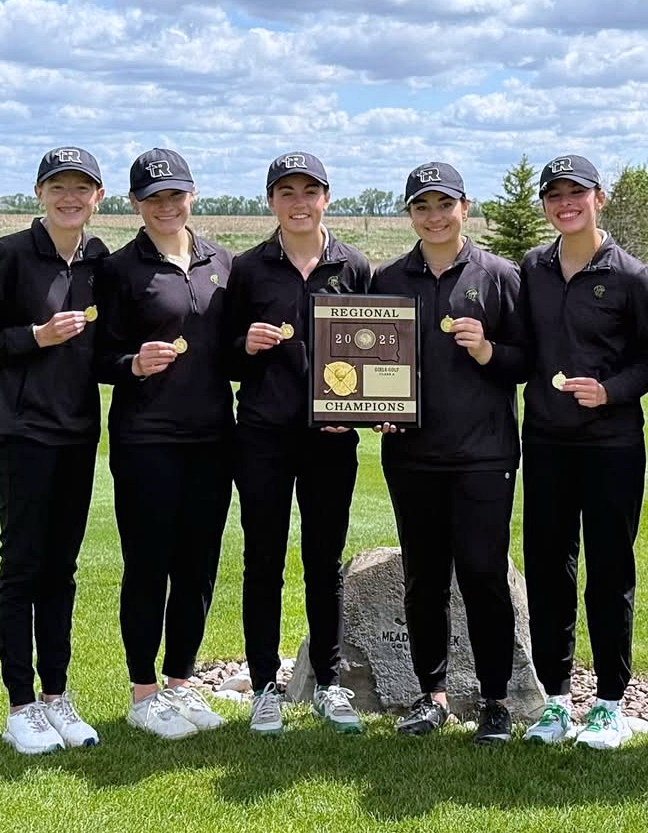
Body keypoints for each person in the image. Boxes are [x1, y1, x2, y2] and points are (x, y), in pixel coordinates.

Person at [0, 146, 108, 754]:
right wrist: (34, 337)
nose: (70, 198)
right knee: (23, 566)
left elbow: (104, 350)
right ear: (40, 193)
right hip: (22, 433)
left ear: (98, 197)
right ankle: (21, 705)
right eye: (58, 187)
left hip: (76, 433)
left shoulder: (98, 259)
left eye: (82, 188)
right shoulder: (11, 254)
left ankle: (56, 697)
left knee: (61, 570)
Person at [371, 162, 523, 745]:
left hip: (483, 454)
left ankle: (495, 701)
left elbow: (526, 361)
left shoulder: (500, 275)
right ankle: (430, 694)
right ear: (409, 213)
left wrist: (488, 351)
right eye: (421, 207)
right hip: (411, 454)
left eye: (444, 204)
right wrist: (370, 408)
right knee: (423, 578)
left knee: (484, 576)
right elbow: (366, 368)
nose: (433, 217)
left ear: (465, 206)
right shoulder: (388, 279)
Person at [226, 152, 371, 735]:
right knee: (262, 559)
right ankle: (264, 684)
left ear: (326, 199)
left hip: (330, 441)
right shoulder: (248, 269)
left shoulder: (355, 267)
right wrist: (247, 345)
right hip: (262, 433)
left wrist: (356, 413)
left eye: (310, 191)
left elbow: (375, 356)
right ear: (271, 202)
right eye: (286, 192)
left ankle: (328, 684)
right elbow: (223, 355)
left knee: (323, 561)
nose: (299, 202)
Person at [517, 155, 648, 749]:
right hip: (546, 441)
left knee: (609, 572)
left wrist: (611, 391)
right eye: (554, 195)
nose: (565, 203)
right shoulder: (532, 268)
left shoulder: (632, 276)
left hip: (612, 445)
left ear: (598, 198)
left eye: (576, 193)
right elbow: (521, 348)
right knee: (549, 569)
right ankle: (554, 700)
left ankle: (609, 701)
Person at [96, 147, 235, 740]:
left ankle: (180, 684)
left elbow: (231, 350)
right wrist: (132, 363)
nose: (166, 206)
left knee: (199, 566)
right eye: (153, 198)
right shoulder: (121, 268)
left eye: (175, 195)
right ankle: (143, 693)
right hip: (146, 438)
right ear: (135, 204)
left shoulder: (222, 263)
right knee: (149, 564)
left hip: (212, 436)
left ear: (192, 194)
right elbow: (97, 356)